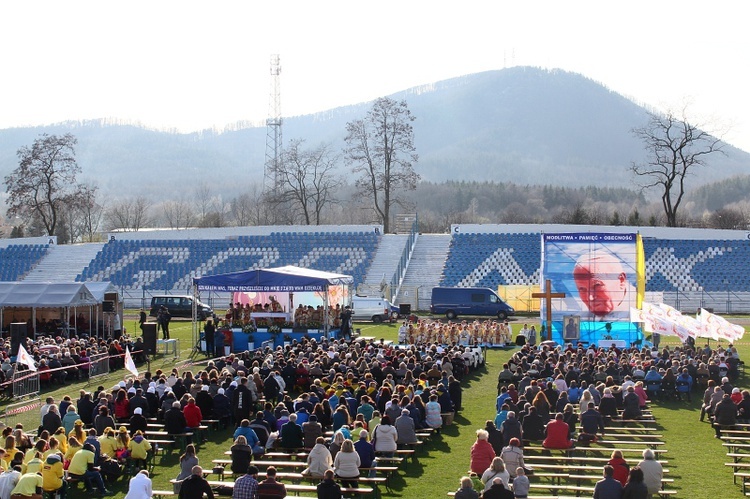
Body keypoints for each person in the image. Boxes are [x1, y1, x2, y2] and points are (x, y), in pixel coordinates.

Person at [573, 252, 635, 320]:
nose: (590, 298)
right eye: (582, 289)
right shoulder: (580, 320)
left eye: (597, 285)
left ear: (621, 280)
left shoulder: (645, 312)